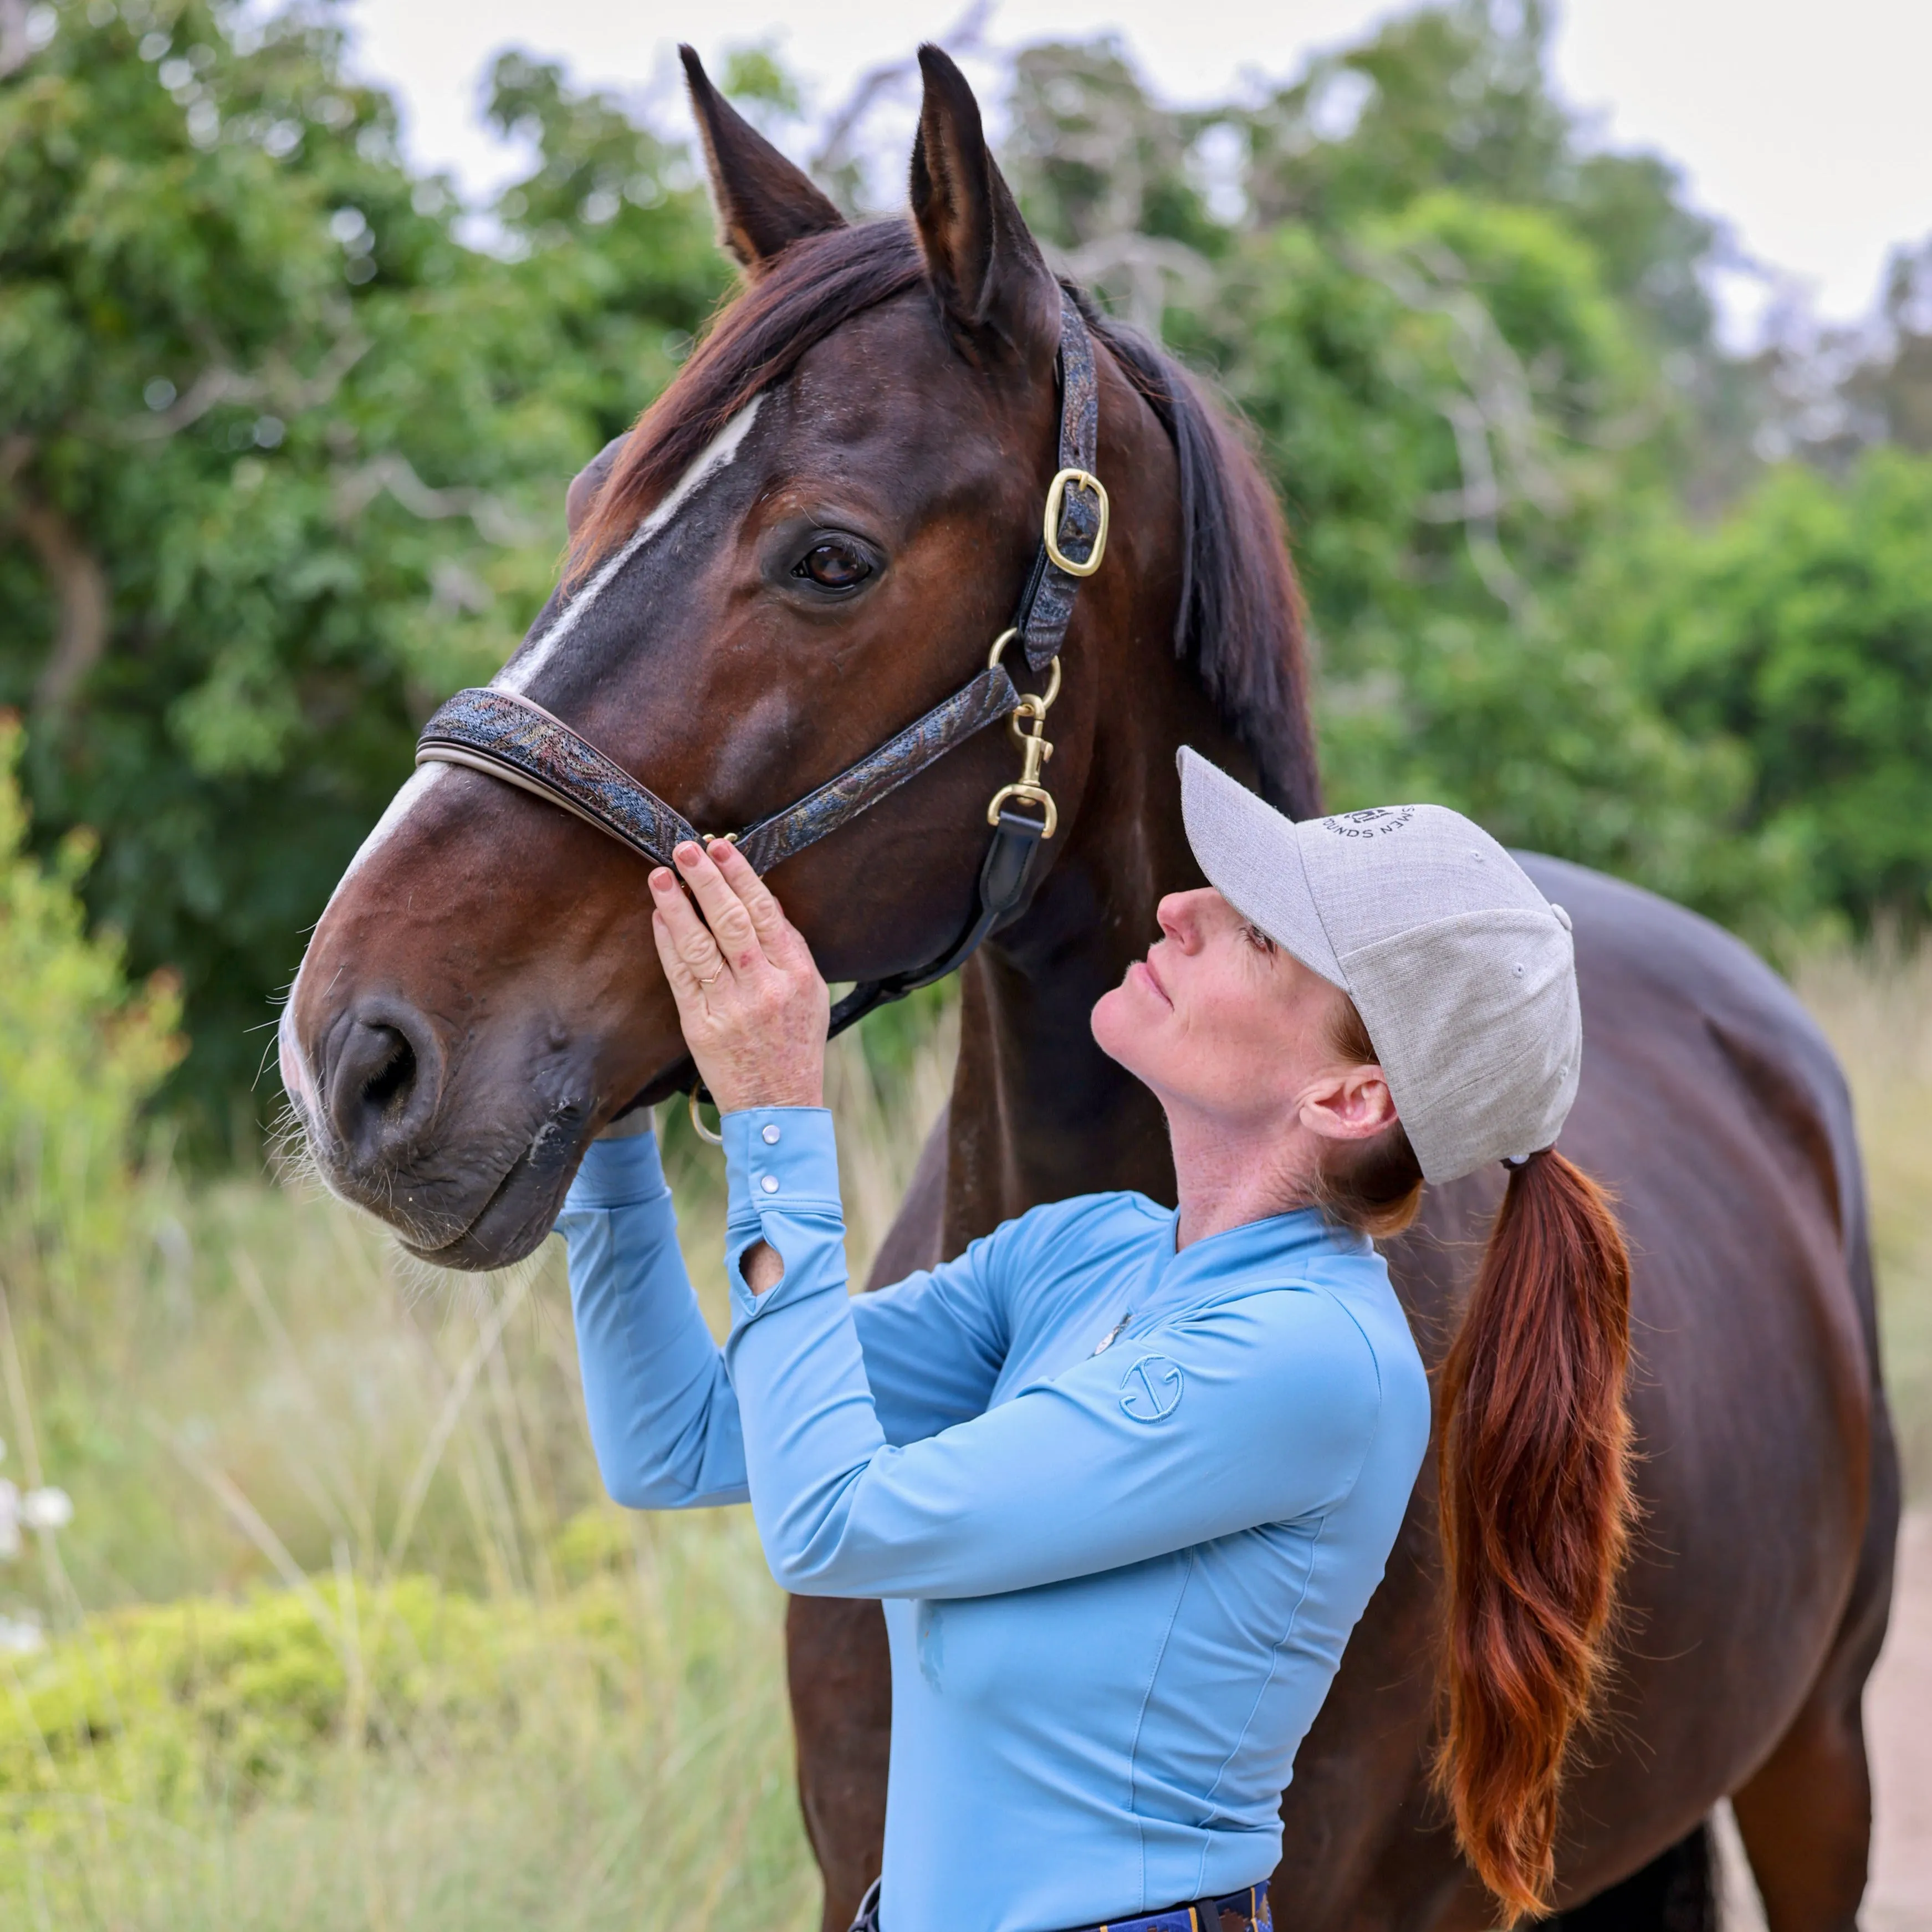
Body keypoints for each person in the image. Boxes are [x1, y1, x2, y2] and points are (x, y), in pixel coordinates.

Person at [559, 748, 1633, 1932]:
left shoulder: (1310, 1360)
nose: (1180, 905)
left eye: (1260, 935)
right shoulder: (1088, 1255)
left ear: (1349, 1099)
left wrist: (776, 1119)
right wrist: (606, 1122)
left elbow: (832, 1524)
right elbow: (680, 1440)